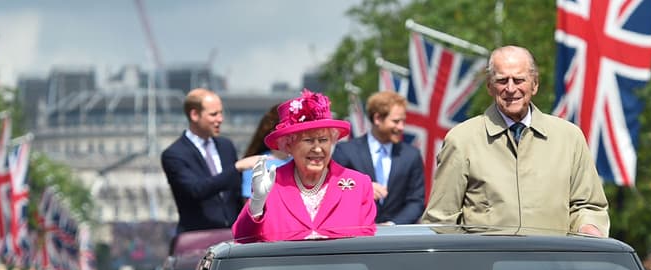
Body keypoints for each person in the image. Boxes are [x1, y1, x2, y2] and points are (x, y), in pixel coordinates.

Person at [421, 45, 609, 236]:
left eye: (519, 80)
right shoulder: (462, 140)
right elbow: (441, 220)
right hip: (487, 263)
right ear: (489, 86)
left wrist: (589, 228)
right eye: (502, 80)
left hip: (553, 262)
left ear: (534, 84)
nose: (511, 89)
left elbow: (589, 206)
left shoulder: (569, 138)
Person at [233, 89, 377, 243]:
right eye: (308, 140)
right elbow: (242, 239)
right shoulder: (272, 185)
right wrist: (256, 206)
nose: (317, 149)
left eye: (323, 140)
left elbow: (366, 246)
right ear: (289, 145)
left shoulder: (359, 184)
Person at [331, 90, 426, 225]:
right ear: (377, 119)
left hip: (398, 239)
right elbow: (332, 189)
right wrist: (361, 188)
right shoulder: (346, 151)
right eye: (396, 121)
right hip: (355, 236)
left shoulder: (411, 155)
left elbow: (416, 201)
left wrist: (392, 225)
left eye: (403, 121)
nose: (401, 127)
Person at [161, 88, 243, 239]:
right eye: (213, 114)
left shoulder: (226, 146)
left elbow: (236, 193)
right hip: (197, 239)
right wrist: (236, 168)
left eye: (221, 113)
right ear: (194, 115)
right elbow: (196, 190)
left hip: (232, 238)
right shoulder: (174, 154)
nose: (220, 119)